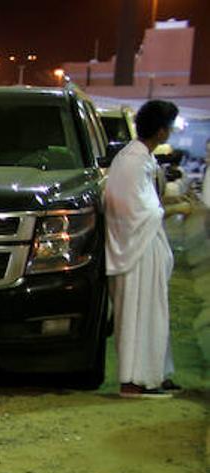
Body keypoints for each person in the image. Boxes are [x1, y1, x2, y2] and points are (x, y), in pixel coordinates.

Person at [105, 100, 187, 398]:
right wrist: (170, 210)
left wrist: (164, 206)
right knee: (138, 316)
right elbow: (134, 210)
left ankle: (154, 375)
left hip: (143, 247)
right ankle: (135, 381)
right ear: (162, 131)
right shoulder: (133, 161)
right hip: (136, 251)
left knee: (152, 316)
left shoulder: (138, 158)